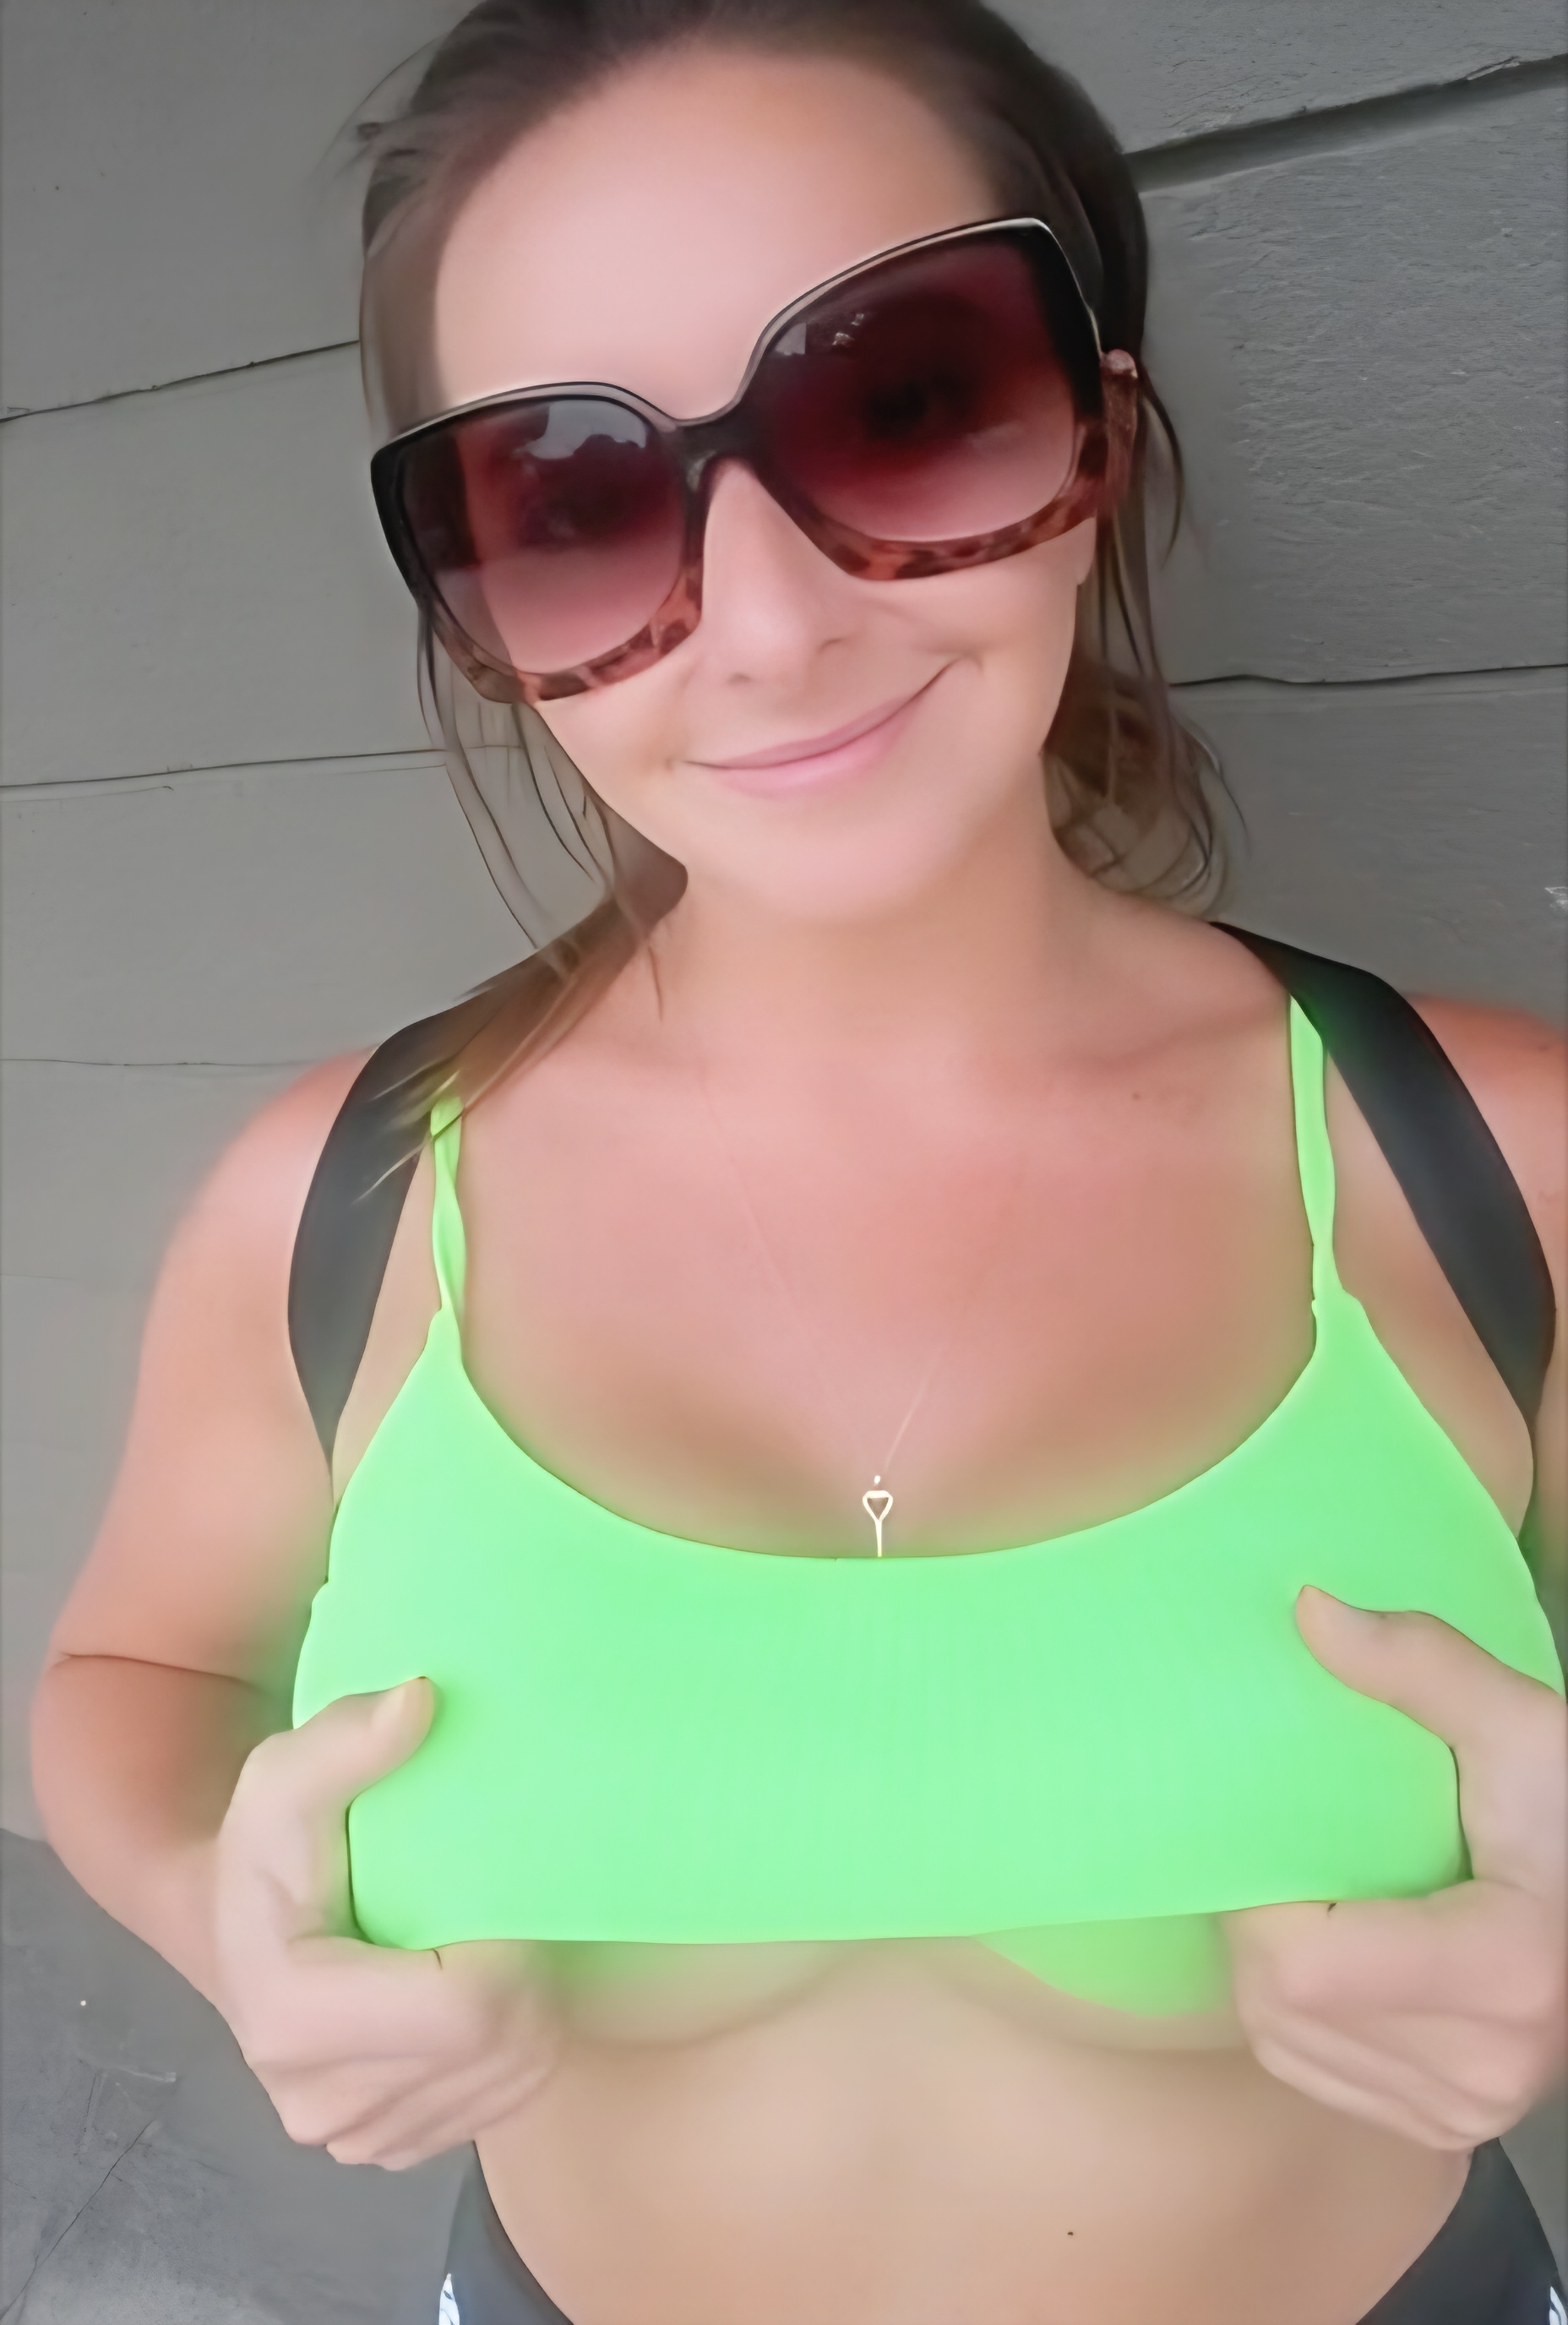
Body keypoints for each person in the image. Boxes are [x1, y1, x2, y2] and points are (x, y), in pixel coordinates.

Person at [29, 3, 1567, 2321]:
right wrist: (216, 1918)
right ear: (480, 610)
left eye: (904, 399)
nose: (765, 627)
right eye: (569, 500)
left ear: (1100, 435)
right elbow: (135, 1665)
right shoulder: (332, 1207)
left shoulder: (1495, 1163)